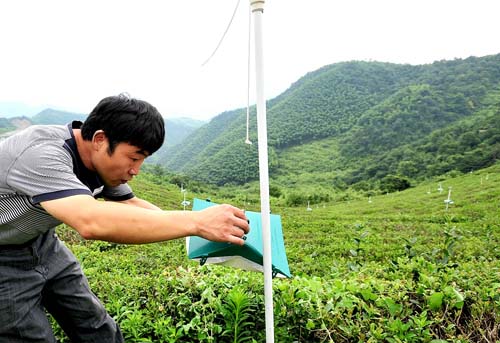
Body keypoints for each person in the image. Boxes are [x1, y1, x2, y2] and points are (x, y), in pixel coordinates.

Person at [0, 94, 250, 342]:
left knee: (97, 327)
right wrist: (196, 222)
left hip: (43, 243)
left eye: (142, 160)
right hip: (4, 259)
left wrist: (200, 227)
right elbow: (91, 221)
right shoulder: (41, 155)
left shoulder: (97, 161)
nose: (135, 171)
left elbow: (130, 204)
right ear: (99, 139)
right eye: (133, 158)